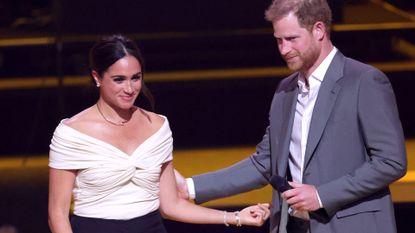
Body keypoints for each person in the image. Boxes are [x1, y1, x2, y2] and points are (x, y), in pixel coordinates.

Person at [175, 0, 407, 233]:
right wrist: (190, 187)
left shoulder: (363, 81)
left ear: (319, 30)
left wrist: (321, 195)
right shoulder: (285, 90)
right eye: (278, 40)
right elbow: (265, 163)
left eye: (292, 39)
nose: (284, 49)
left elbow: (391, 162)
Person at [47, 34, 270, 233]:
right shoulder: (72, 133)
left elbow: (171, 205)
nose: (129, 88)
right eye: (119, 79)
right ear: (97, 77)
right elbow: (57, 214)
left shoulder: (157, 126)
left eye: (136, 78)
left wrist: (236, 217)